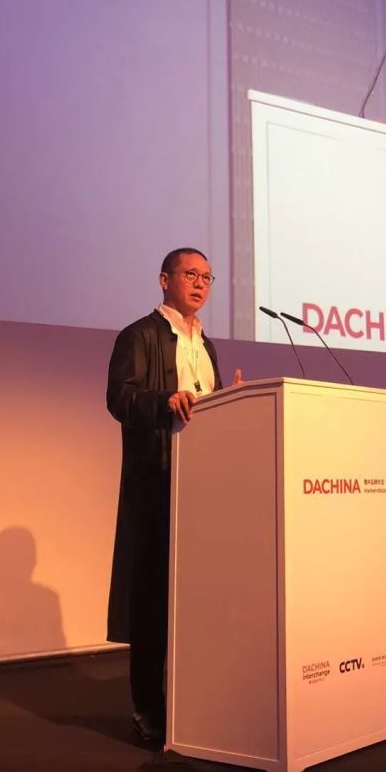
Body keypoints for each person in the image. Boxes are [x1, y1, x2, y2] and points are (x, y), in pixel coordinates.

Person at [106, 247, 223, 744]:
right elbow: (119, 397)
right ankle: (149, 710)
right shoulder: (139, 335)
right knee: (153, 601)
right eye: (190, 274)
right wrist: (164, 401)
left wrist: (230, 402)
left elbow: (207, 411)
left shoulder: (207, 345)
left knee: (198, 601)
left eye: (207, 277)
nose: (200, 284)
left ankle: (194, 704)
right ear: (164, 279)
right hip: (158, 482)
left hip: (203, 490)